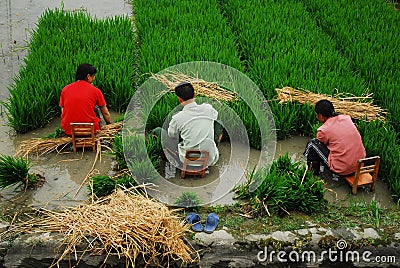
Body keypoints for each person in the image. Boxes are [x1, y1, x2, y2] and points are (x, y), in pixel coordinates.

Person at [153, 81, 221, 167]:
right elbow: (216, 115)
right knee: (219, 123)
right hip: (209, 158)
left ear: (179, 99)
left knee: (158, 130)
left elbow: (172, 135)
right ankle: (214, 145)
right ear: (195, 94)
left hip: (188, 159)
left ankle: (162, 156)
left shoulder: (177, 118)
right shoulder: (208, 108)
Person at [303, 99, 366, 176]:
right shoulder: (346, 118)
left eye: (316, 114)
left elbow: (320, 145)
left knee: (312, 144)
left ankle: (312, 174)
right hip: (359, 164)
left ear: (321, 116)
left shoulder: (323, 130)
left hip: (343, 169)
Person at [59, 63, 112, 135]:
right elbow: (105, 112)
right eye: (93, 76)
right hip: (90, 130)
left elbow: (63, 111)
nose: (94, 78)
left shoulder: (65, 89)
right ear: (88, 76)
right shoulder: (95, 91)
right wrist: (109, 123)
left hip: (69, 130)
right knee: (96, 108)